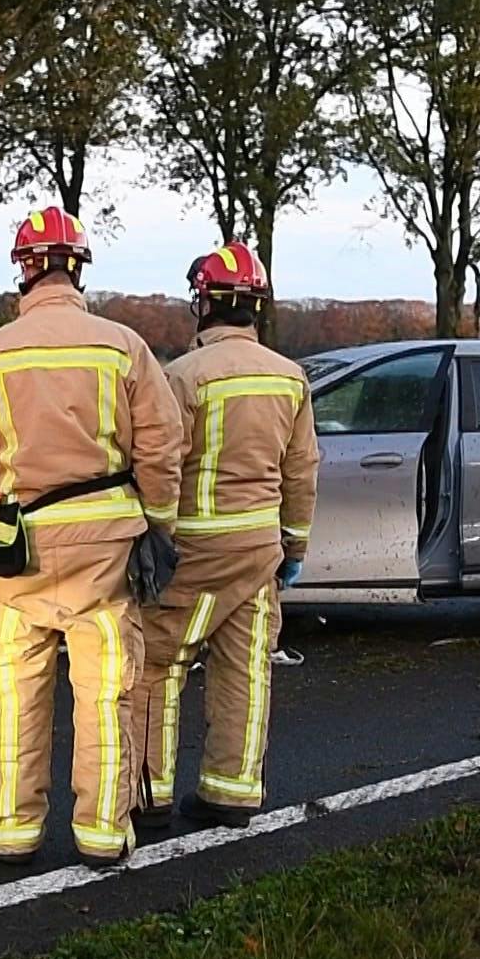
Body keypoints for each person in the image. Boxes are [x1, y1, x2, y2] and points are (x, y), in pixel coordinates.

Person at [0, 206, 185, 868]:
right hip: (106, 548)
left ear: (23, 270)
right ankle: (104, 833)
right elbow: (162, 449)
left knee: (17, 695)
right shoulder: (124, 346)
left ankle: (16, 830)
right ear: (78, 267)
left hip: (17, 550)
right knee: (106, 694)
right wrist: (157, 526)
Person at [127, 243, 317, 831]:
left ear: (203, 304)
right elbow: (302, 469)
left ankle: (150, 794)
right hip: (260, 551)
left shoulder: (181, 377)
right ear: (256, 307)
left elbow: (159, 461)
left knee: (159, 665)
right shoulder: (291, 378)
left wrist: (150, 531)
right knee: (246, 669)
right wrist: (296, 545)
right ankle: (233, 792)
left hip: (192, 550)